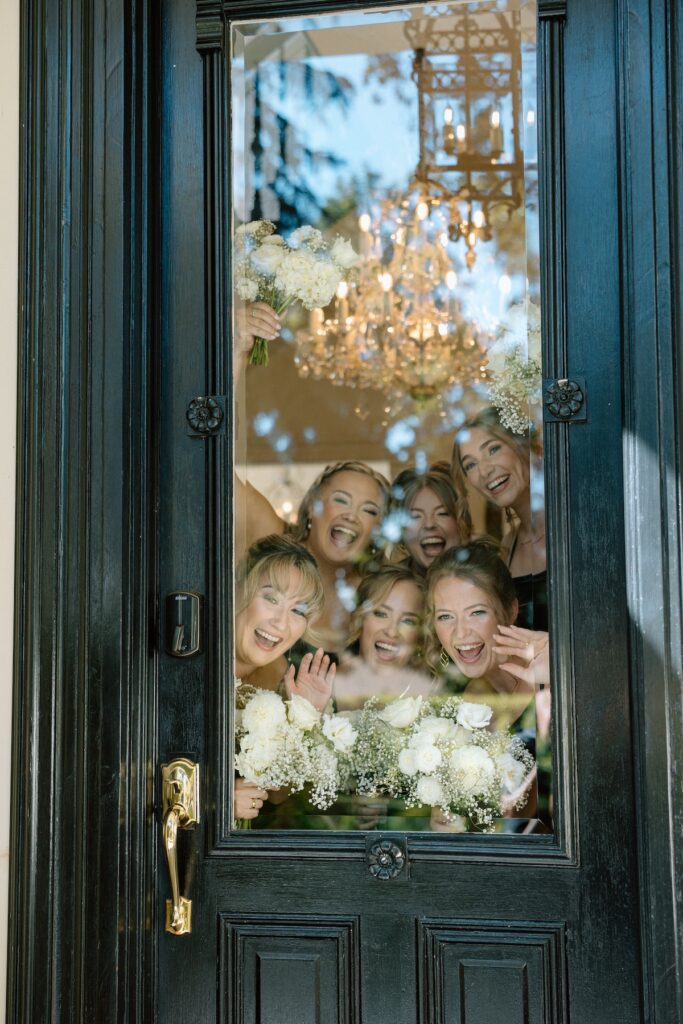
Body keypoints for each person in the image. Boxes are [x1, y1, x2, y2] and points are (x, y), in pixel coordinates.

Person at [424, 542, 550, 826]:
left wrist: (564, 662)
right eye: (445, 616)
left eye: (476, 612)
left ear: (510, 610)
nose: (460, 632)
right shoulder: (447, 708)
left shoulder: (553, 678)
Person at [233, 533, 335, 821]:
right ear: (238, 590)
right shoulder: (193, 664)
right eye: (270, 598)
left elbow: (276, 794)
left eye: (298, 611)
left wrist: (302, 720)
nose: (280, 622)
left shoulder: (283, 680)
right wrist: (215, 800)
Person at [452, 406, 546, 630]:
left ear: (525, 446)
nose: (484, 471)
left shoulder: (577, 523)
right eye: (471, 465)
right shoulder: (507, 548)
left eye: (493, 449)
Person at [336, 564, 430, 711]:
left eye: (408, 621)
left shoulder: (431, 699)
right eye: (381, 614)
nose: (392, 632)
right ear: (360, 620)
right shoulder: (324, 686)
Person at [390, 463, 472, 575]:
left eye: (442, 513)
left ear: (461, 523)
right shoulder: (387, 590)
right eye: (415, 516)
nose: (429, 524)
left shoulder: (486, 580)